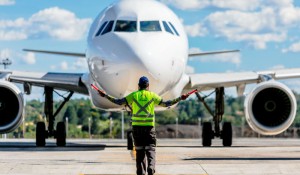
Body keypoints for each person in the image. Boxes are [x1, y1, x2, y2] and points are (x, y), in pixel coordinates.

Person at [96, 76, 190, 175]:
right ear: (148, 86)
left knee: (140, 152)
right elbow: (166, 104)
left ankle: (141, 171)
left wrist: (105, 95)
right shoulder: (152, 96)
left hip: (137, 128)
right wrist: (181, 98)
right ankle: (151, 167)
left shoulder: (134, 95)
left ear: (138, 86)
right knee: (151, 149)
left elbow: (118, 102)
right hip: (149, 128)